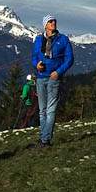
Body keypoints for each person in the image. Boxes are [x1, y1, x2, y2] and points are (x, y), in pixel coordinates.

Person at [31, 15, 73, 147]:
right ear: (45, 25)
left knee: (50, 110)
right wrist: (36, 65)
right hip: (41, 77)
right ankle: (43, 137)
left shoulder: (63, 39)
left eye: (54, 21)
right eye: (50, 21)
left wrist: (58, 72)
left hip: (54, 78)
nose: (53, 23)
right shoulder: (38, 40)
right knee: (42, 110)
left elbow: (69, 59)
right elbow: (34, 57)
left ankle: (45, 139)